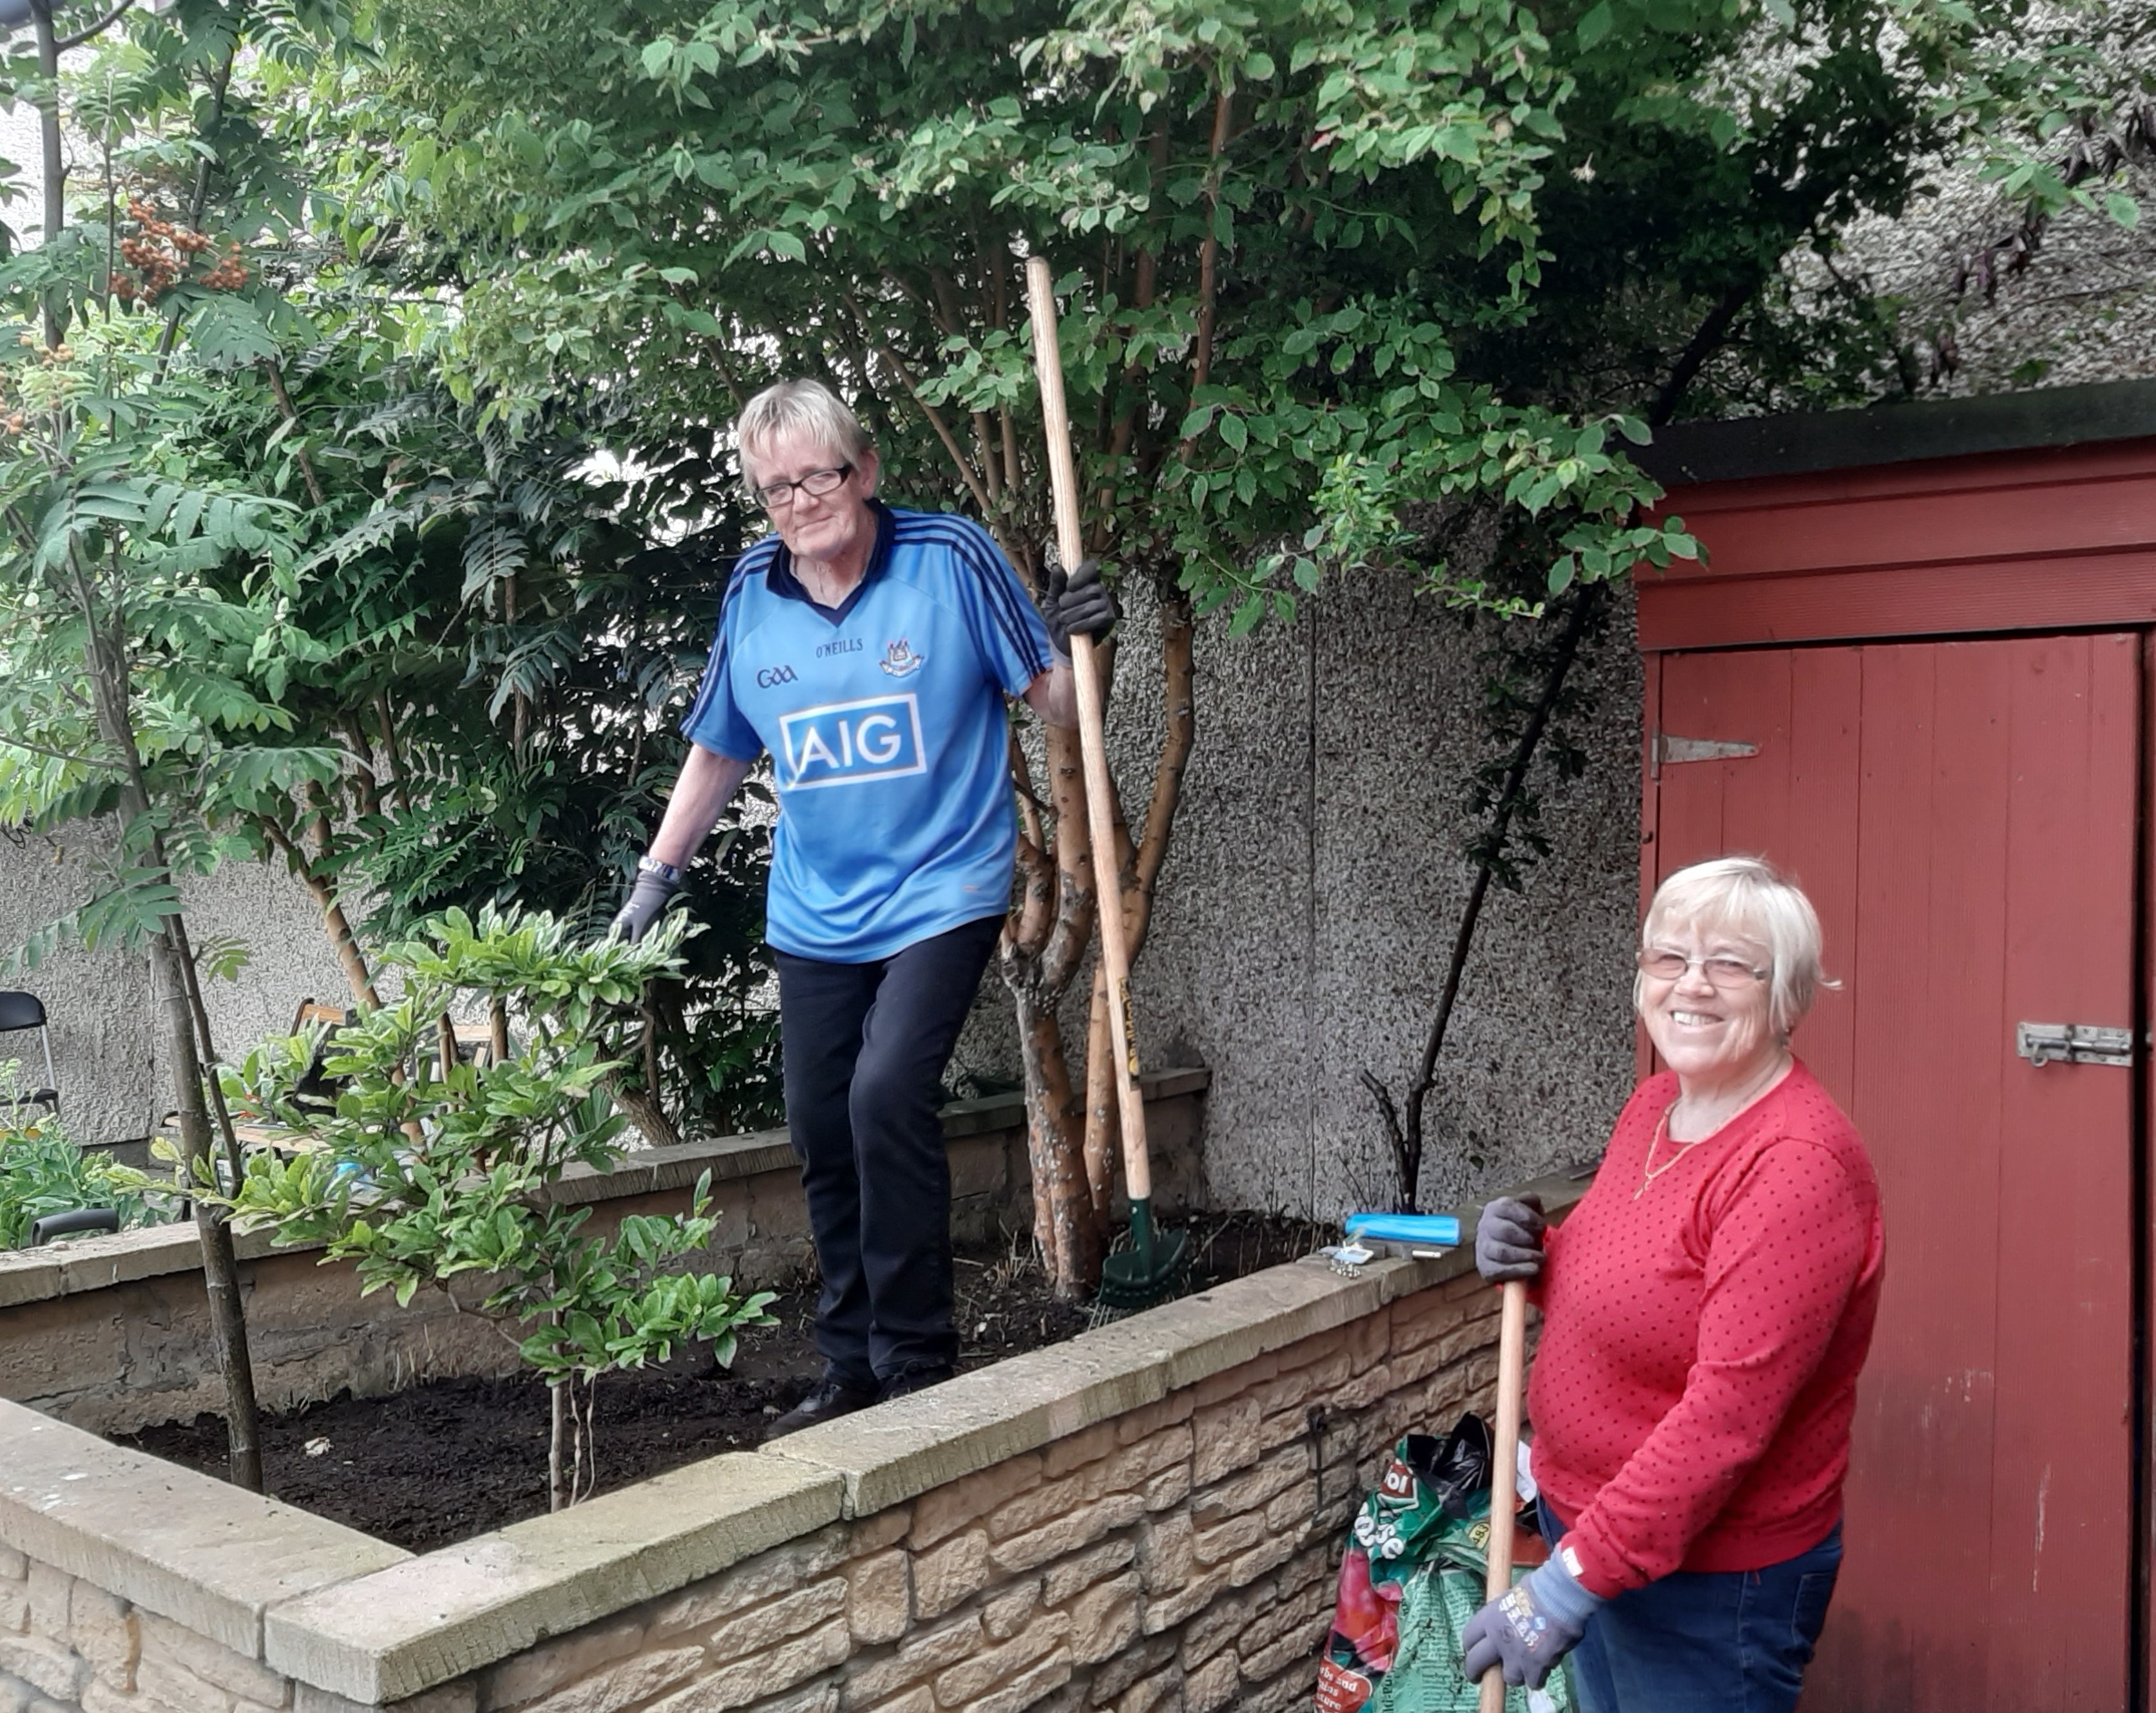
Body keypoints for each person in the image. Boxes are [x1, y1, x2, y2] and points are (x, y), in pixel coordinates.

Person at [611, 377, 1112, 1435]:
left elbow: (1061, 710)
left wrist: (1085, 641)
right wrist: (658, 878)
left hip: (944, 888)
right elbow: (719, 746)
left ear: (866, 471)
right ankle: (849, 1368)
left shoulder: (950, 558)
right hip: (815, 911)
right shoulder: (754, 590)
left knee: (888, 1094)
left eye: (819, 476)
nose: (800, 503)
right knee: (821, 1128)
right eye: (776, 488)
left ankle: (920, 1363)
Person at [1461, 855, 1884, 1713]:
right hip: (1602, 1539)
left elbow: (1722, 1423)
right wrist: (1532, 1254)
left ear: (1789, 997)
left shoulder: (1795, 1167)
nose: (1692, 985)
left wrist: (1567, 1586)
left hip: (1707, 1586)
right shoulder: (1656, 1106)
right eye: (1669, 959)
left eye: (1730, 963)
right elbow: (1633, 1281)